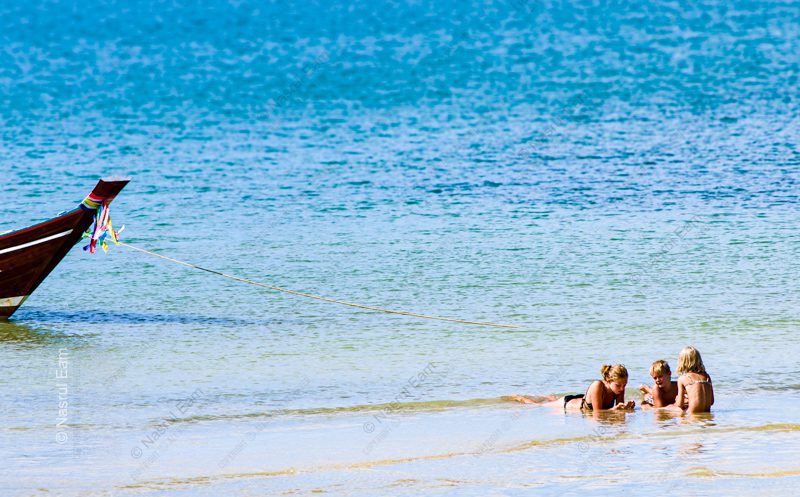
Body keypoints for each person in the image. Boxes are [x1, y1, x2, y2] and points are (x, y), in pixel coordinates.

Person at [562, 364, 635, 412]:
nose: (622, 389)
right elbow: (597, 413)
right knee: (550, 401)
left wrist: (627, 408)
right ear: (608, 380)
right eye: (618, 385)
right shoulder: (598, 385)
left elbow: (620, 411)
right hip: (567, 404)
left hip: (581, 398)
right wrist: (615, 409)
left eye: (625, 385)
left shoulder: (620, 388)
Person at [673, 346, 714, 413]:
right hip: (707, 414)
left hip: (693, 417)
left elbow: (680, 404)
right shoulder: (707, 376)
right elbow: (711, 402)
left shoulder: (683, 378)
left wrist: (678, 399)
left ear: (682, 361)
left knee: (673, 409)